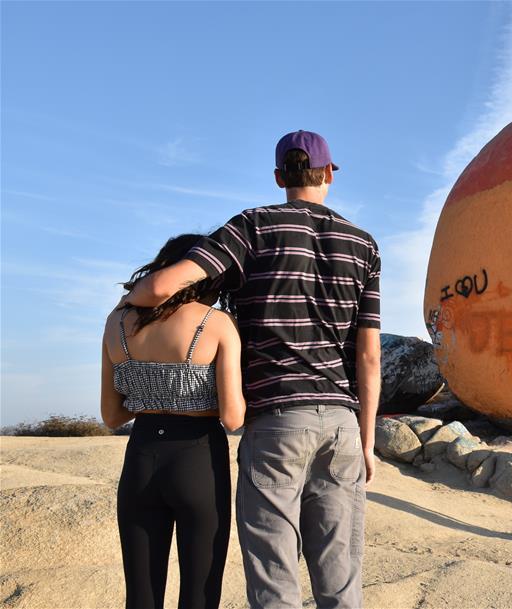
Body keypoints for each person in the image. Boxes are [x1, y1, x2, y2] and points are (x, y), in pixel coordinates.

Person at [124, 130, 381, 609]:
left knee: (274, 576)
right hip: (343, 425)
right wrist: (366, 441)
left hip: (277, 422)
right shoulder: (363, 244)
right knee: (341, 577)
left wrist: (127, 304)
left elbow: (162, 287)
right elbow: (368, 356)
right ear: (328, 174)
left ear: (279, 176)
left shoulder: (253, 226)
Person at [100, 233, 246, 609]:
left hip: (141, 457)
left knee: (141, 596)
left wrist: (152, 393)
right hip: (198, 460)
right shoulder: (216, 323)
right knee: (200, 594)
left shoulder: (116, 322)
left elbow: (112, 415)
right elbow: (232, 417)